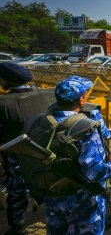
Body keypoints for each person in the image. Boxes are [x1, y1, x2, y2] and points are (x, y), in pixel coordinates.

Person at [29, 76, 111, 234]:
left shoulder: (42, 122)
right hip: (82, 201)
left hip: (53, 195)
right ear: (81, 100)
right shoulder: (85, 129)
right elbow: (94, 173)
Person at [0, 62, 56, 235]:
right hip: (44, 151)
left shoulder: (4, 103)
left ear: (4, 80)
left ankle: (17, 226)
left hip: (16, 154)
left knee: (17, 191)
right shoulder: (48, 94)